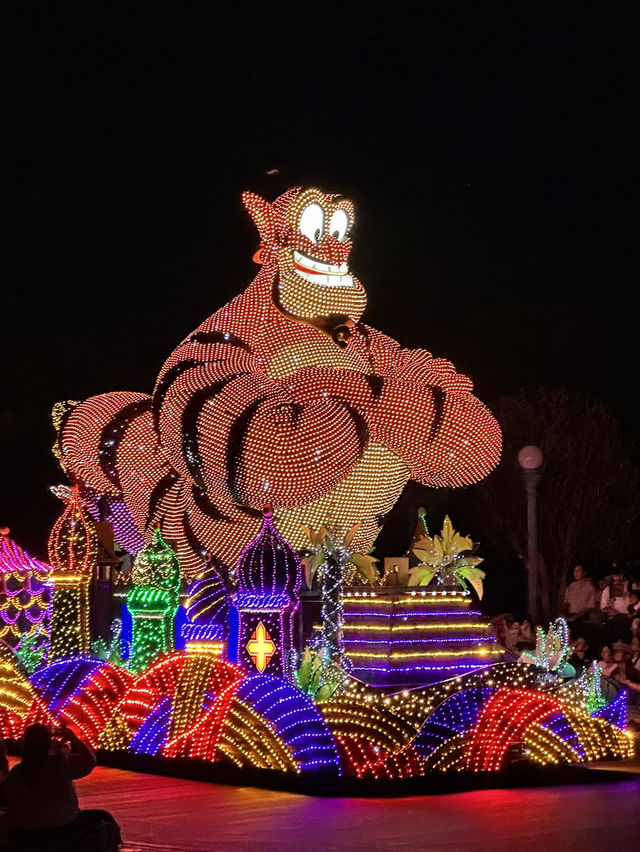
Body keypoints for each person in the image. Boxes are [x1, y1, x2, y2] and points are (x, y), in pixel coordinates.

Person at [5, 723, 121, 851]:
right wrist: (72, 738)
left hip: (24, 833)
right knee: (103, 818)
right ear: (47, 744)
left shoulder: (16, 772)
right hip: (62, 828)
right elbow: (90, 760)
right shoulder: (59, 766)